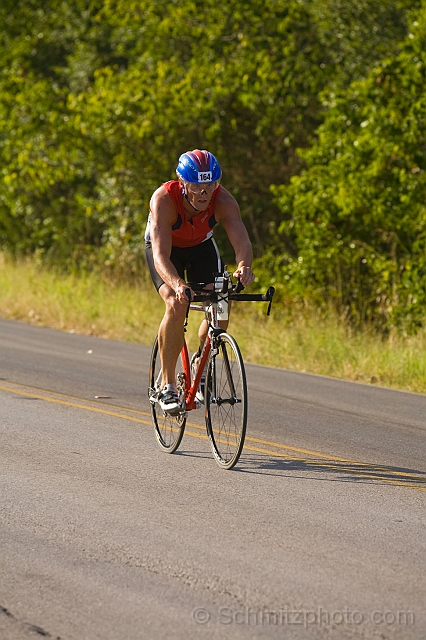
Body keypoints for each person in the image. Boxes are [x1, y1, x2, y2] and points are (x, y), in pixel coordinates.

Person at [145, 149, 255, 414]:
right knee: (175, 301)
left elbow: (242, 240)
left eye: (210, 184)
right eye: (196, 185)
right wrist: (177, 283)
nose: (204, 192)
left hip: (200, 247)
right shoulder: (164, 200)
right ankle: (169, 385)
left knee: (220, 300)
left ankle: (200, 366)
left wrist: (244, 267)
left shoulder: (224, 201)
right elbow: (160, 256)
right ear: (183, 184)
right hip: (165, 249)